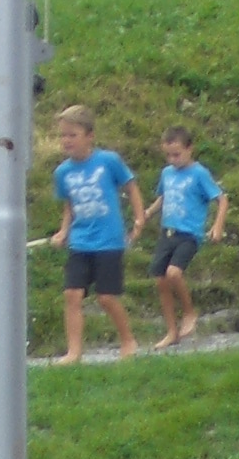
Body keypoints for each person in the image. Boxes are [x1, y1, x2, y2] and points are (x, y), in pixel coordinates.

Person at [49, 105, 139, 363]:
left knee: (106, 297)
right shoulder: (62, 172)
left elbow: (131, 186)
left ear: (89, 136)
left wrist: (139, 218)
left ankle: (128, 340)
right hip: (80, 241)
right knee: (72, 294)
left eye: (72, 135)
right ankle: (74, 351)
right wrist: (64, 231)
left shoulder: (108, 161)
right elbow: (70, 204)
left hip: (108, 240)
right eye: (63, 135)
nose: (66, 140)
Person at [140, 124, 227, 348]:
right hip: (167, 232)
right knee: (160, 280)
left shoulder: (199, 173)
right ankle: (172, 331)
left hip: (189, 234)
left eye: (177, 154)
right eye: (168, 155)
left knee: (174, 273)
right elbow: (164, 196)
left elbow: (221, 199)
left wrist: (217, 226)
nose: (172, 160)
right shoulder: (167, 173)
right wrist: (148, 212)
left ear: (190, 149)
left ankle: (189, 312)